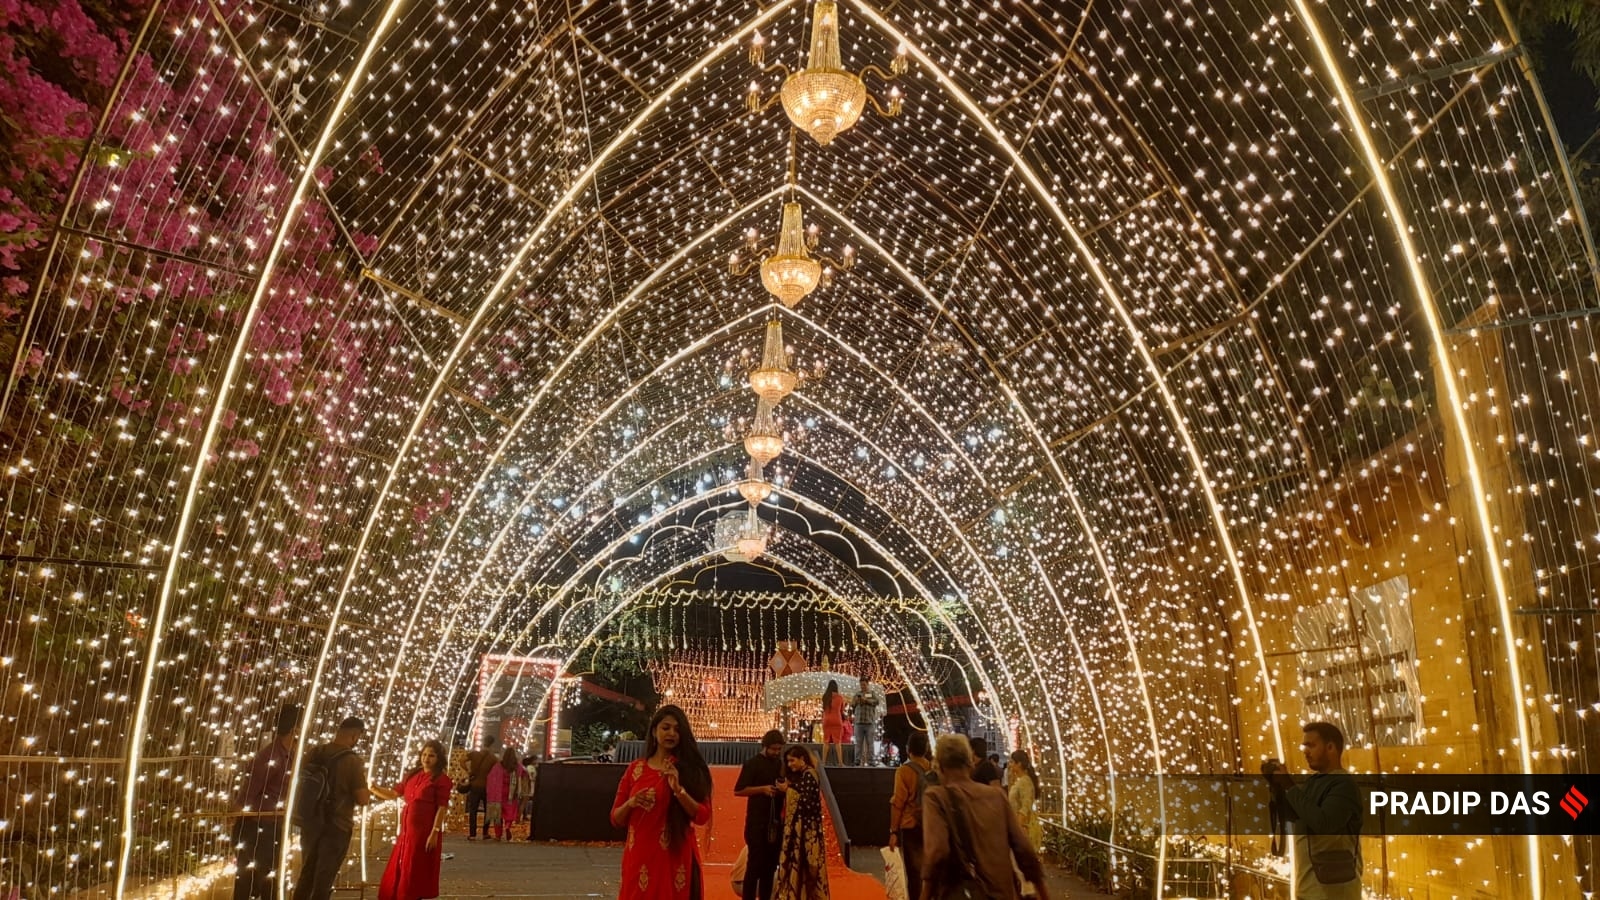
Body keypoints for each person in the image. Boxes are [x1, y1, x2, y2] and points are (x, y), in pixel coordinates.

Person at [920, 734, 1048, 900]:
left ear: (940, 766)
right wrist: (1043, 893)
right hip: (1002, 893)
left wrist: (925, 894)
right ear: (970, 763)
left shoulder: (936, 798)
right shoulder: (997, 796)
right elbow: (1023, 848)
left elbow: (937, 851)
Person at [611, 705, 713, 899]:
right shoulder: (635, 769)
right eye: (666, 728)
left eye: (677, 729)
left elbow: (702, 815)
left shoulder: (689, 770)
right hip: (639, 856)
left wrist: (678, 791)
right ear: (654, 731)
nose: (671, 733)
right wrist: (631, 803)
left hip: (675, 857)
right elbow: (615, 818)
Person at [1263, 722, 1362, 899]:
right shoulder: (1313, 781)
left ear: (1330, 747)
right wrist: (1277, 786)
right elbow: (1297, 816)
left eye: (1311, 745)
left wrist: (1288, 785)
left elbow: (1323, 823)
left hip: (1334, 892)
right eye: (1304, 745)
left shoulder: (1343, 784)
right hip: (1308, 888)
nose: (1305, 751)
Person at [292, 717, 376, 900]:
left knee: (306, 874)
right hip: (337, 825)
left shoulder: (314, 753)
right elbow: (362, 798)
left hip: (310, 823)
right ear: (355, 736)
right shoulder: (353, 761)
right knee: (324, 878)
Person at [232, 704, 299, 900]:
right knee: (253, 881)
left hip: (273, 825)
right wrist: (235, 817)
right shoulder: (271, 756)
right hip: (258, 827)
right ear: (295, 730)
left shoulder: (289, 755)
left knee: (268, 879)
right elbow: (249, 791)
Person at [378, 740, 451, 900]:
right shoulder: (412, 775)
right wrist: (373, 788)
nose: (426, 758)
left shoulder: (441, 779)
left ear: (438, 758)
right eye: (424, 754)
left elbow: (441, 808)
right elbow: (394, 793)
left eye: (431, 755)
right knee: (402, 863)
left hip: (423, 831)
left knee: (414, 866)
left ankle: (411, 895)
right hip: (406, 831)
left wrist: (434, 832)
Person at [734, 730, 789, 900]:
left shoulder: (781, 765)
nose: (776, 752)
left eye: (779, 749)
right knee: (754, 865)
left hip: (776, 823)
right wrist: (762, 789)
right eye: (773, 749)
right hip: (756, 822)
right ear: (765, 746)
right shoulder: (753, 764)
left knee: (771, 866)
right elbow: (739, 790)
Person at [772, 746, 829, 900]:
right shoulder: (802, 776)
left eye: (792, 760)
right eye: (788, 761)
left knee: (808, 869)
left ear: (802, 759)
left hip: (807, 834)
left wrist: (788, 790)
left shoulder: (810, 775)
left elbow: (807, 802)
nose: (790, 764)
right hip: (800, 832)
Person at [888, 731, 936, 900]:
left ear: (908, 749)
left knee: (914, 873)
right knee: (931, 870)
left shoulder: (903, 771)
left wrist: (893, 831)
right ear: (926, 749)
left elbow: (898, 803)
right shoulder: (933, 770)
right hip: (932, 826)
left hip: (911, 825)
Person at [485, 746, 524, 841]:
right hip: (511, 794)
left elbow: (491, 778)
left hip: (499, 793)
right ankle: (507, 827)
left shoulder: (499, 766)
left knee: (498, 814)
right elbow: (522, 776)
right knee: (509, 812)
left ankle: (498, 835)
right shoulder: (517, 767)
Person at [464, 735, 498, 840]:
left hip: (474, 785)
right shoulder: (493, 758)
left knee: (473, 810)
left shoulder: (474, 754)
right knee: (488, 810)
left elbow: (461, 760)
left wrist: (468, 770)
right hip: (487, 787)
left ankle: (472, 834)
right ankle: (485, 833)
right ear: (492, 745)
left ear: (483, 742)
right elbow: (496, 773)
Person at [1006, 750, 1042, 848]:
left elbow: (1025, 808)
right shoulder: (1021, 781)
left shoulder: (1025, 782)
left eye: (1012, 762)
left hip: (1024, 828)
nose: (1010, 765)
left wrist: (1018, 830)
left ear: (1019, 764)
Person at [851, 677, 881, 767]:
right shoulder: (857, 694)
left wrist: (866, 700)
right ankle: (857, 760)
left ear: (868, 684)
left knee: (870, 743)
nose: (862, 686)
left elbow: (877, 701)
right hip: (859, 722)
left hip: (869, 722)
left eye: (864, 684)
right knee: (858, 743)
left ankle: (871, 761)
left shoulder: (871, 694)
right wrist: (856, 701)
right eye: (861, 685)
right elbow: (852, 704)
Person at [819, 680, 845, 766]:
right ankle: (840, 762)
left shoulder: (825, 697)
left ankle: (823, 762)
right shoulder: (840, 697)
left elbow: (823, 709)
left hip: (826, 720)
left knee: (826, 742)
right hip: (837, 720)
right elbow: (842, 710)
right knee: (837, 742)